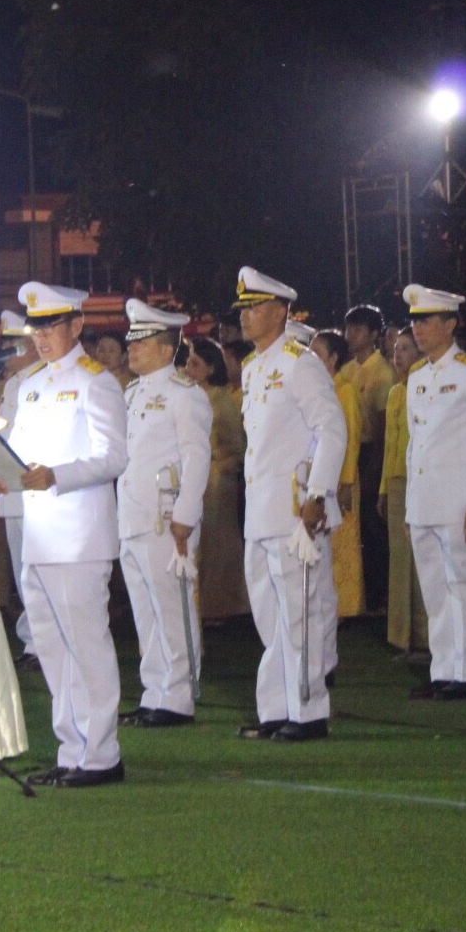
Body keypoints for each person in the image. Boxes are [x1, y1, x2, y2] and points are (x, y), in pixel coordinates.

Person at [0, 281, 128, 787]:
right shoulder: (30, 384)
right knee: (50, 645)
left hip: (79, 535)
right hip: (38, 534)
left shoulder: (96, 382)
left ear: (75, 326)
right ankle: (72, 749)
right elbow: (19, 454)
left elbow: (113, 457)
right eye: (36, 328)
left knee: (86, 643)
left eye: (50, 326)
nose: (41, 337)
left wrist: (56, 475)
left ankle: (102, 754)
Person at [233, 266, 347, 740]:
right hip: (261, 511)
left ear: (280, 311)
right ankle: (277, 709)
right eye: (243, 308)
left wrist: (318, 494)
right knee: (269, 616)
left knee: (301, 613)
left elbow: (332, 429)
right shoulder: (253, 367)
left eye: (255, 307)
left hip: (297, 510)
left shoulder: (300, 362)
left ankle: (308, 710)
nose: (246, 317)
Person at [116, 301, 212, 727]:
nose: (130, 349)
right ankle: (155, 690)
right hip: (133, 516)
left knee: (172, 607)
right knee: (144, 609)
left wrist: (186, 514)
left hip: (165, 517)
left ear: (164, 347)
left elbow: (197, 456)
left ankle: (178, 695)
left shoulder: (184, 393)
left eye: (140, 342)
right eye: (131, 341)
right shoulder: (132, 393)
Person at [402, 283, 466, 700]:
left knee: (463, 585)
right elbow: (413, 445)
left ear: (450, 324)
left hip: (459, 501)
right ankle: (444, 669)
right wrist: (410, 507)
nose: (418, 329)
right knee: (435, 589)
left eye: (426, 321)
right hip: (426, 500)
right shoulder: (417, 376)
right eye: (415, 321)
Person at [182, 336, 251, 621]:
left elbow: (236, 449)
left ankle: (223, 605)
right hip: (195, 480)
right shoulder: (191, 396)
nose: (188, 369)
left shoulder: (222, 402)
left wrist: (218, 469)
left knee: (218, 545)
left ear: (212, 369)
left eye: (195, 364)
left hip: (217, 483)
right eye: (187, 363)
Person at [0, 309, 43, 663]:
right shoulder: (11, 384)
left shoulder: (42, 379)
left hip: (35, 489)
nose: (6, 352)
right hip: (10, 490)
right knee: (21, 569)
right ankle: (31, 639)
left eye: (11, 345)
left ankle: (42, 642)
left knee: (37, 569)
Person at [379, 328, 428, 653]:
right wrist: (383, 489)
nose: (399, 355)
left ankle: (424, 635)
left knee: (422, 558)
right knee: (399, 560)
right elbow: (389, 446)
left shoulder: (426, 389)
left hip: (421, 481)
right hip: (397, 483)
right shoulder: (396, 392)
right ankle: (400, 634)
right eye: (396, 349)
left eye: (407, 349)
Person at [311, 329, 365, 620]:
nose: (311, 357)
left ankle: (346, 605)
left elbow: (351, 438)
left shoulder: (344, 389)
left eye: (317, 353)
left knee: (343, 544)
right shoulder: (316, 389)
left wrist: (346, 481)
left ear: (333, 358)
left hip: (341, 479)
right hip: (320, 478)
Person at [345, 304, 394, 612]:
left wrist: (374, 468)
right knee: (355, 526)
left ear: (374, 335)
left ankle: (378, 592)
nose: (351, 335)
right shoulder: (347, 370)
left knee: (373, 527)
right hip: (351, 453)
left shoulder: (381, 373)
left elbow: (381, 427)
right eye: (349, 329)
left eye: (359, 329)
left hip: (372, 452)